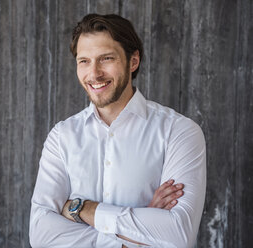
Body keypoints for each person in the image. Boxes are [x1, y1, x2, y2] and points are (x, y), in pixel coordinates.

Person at [29, 13, 206, 248]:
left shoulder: (179, 132)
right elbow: (41, 234)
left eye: (106, 58)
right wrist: (138, 233)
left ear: (133, 61)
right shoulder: (62, 137)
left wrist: (81, 209)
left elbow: (177, 234)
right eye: (84, 61)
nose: (93, 73)